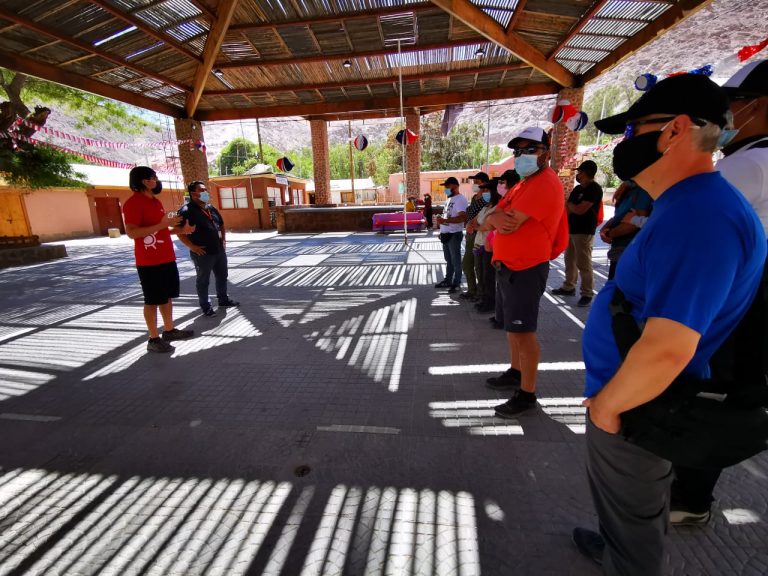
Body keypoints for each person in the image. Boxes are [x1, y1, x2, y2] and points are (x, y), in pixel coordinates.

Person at [571, 74, 766, 576]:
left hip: (642, 402)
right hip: (638, 395)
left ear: (676, 129)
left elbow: (668, 346)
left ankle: (628, 557)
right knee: (633, 507)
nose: (624, 144)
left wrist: (610, 407)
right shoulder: (690, 204)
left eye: (634, 130)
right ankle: (620, 545)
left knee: (635, 513)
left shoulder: (699, 215)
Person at [669, 59, 768, 527]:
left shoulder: (748, 165)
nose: (726, 117)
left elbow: (687, 227)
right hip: (751, 295)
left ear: (761, 105)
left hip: (737, 300)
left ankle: (688, 498)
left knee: (707, 393)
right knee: (731, 393)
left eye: (734, 105)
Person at [482, 127, 567, 415]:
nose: (522, 156)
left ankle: (527, 394)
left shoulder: (544, 183)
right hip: (510, 266)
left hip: (526, 267)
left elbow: (507, 221)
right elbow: (490, 219)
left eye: (530, 149)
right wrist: (494, 217)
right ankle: (516, 372)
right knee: (512, 329)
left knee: (524, 332)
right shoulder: (523, 184)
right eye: (517, 151)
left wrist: (493, 218)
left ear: (546, 152)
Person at [123, 166, 195, 353]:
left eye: (154, 177)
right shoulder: (133, 203)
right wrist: (164, 223)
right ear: (141, 181)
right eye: (150, 178)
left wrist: (181, 230)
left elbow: (160, 229)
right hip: (149, 261)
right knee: (152, 300)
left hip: (166, 257)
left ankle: (169, 330)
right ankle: (153, 338)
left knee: (166, 297)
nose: (154, 181)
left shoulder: (156, 202)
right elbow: (132, 232)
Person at [178, 180, 240, 317]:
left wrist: (223, 240)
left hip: (218, 251)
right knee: (203, 281)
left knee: (222, 276)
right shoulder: (186, 211)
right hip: (203, 253)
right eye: (202, 190)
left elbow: (222, 225)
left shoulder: (210, 208)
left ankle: (223, 300)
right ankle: (206, 306)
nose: (206, 192)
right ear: (193, 194)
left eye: (206, 190)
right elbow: (179, 232)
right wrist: (192, 247)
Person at [552, 160, 603, 307]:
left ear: (587, 173)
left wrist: (571, 205)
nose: (578, 175)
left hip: (585, 231)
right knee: (569, 260)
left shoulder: (594, 189)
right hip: (572, 229)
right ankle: (569, 286)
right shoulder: (577, 189)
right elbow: (569, 208)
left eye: (580, 172)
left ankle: (587, 292)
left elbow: (580, 209)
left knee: (584, 262)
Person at [599, 180, 653, 279]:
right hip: (618, 246)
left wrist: (610, 233)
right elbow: (620, 215)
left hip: (628, 247)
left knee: (619, 285)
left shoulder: (642, 191)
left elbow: (633, 224)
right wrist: (604, 229)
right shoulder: (628, 189)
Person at [435, 176, 468, 294]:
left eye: (448, 187)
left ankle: (457, 283)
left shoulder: (460, 199)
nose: (446, 189)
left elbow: (462, 217)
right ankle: (448, 280)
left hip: (454, 234)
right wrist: (441, 229)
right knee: (448, 260)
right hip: (446, 234)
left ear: (455, 186)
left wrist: (445, 222)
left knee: (456, 260)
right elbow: (447, 216)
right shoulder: (449, 199)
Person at [461, 171, 490, 300]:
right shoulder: (474, 197)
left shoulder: (488, 197)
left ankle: (481, 293)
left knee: (480, 266)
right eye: (474, 182)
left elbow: (486, 216)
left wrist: (474, 226)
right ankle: (472, 289)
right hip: (470, 233)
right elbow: (470, 214)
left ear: (484, 183)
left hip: (481, 234)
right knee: (467, 264)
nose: (475, 184)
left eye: (477, 182)